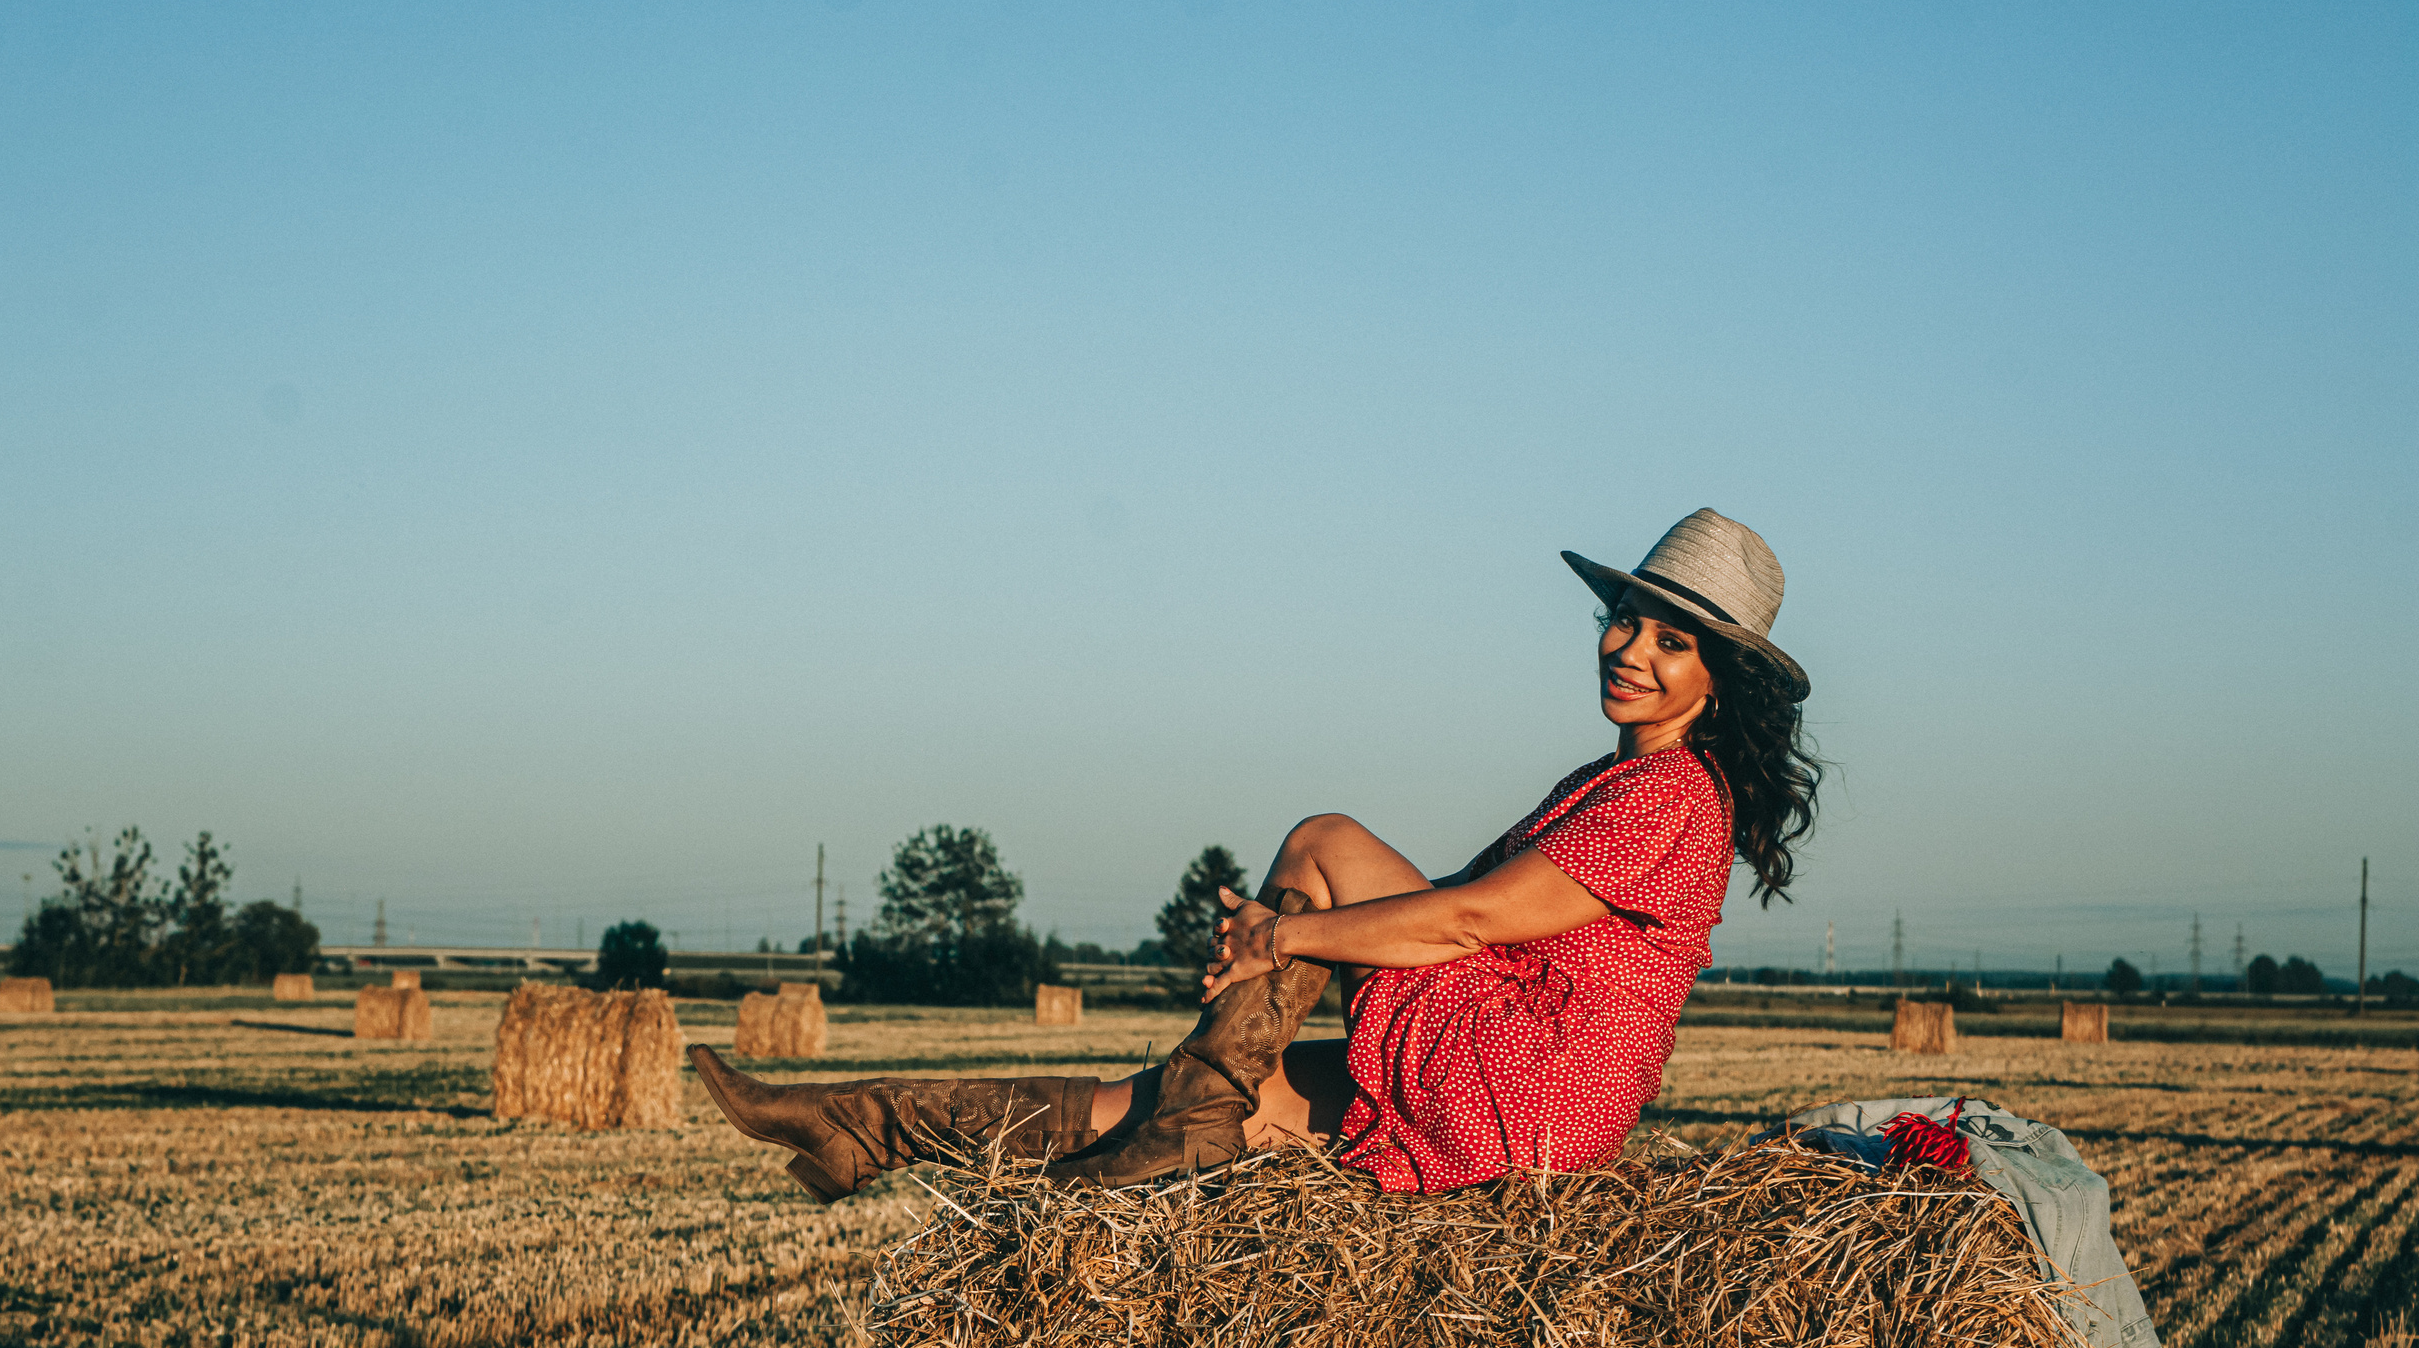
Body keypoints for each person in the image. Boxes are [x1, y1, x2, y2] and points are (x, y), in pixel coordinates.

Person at [692, 509, 1820, 1201]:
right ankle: (861, 1125)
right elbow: (1447, 914)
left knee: (1322, 842)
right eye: (1627, 618)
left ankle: (1183, 1105)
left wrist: (1281, 934)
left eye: (1671, 641)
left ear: (1718, 679)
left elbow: (1469, 918)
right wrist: (1286, 948)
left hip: (1533, 1080)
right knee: (1187, 1103)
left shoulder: (1672, 791)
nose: (1630, 648)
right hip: (1521, 1085)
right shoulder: (1609, 781)